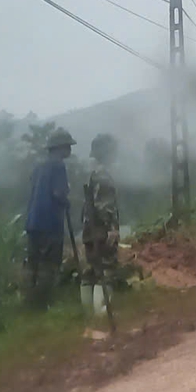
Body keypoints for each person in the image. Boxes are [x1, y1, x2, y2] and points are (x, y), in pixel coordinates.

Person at [23, 127, 74, 310]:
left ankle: (29, 304)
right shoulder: (58, 166)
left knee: (33, 265)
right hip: (50, 223)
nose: (70, 150)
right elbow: (58, 193)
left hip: (33, 222)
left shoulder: (39, 166)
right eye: (68, 146)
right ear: (60, 147)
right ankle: (42, 305)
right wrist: (67, 202)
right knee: (49, 265)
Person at [80, 133, 120, 312]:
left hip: (88, 227)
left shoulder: (88, 172)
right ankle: (103, 311)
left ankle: (89, 312)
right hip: (101, 229)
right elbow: (105, 207)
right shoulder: (103, 175)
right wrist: (111, 229)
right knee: (106, 269)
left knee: (90, 271)